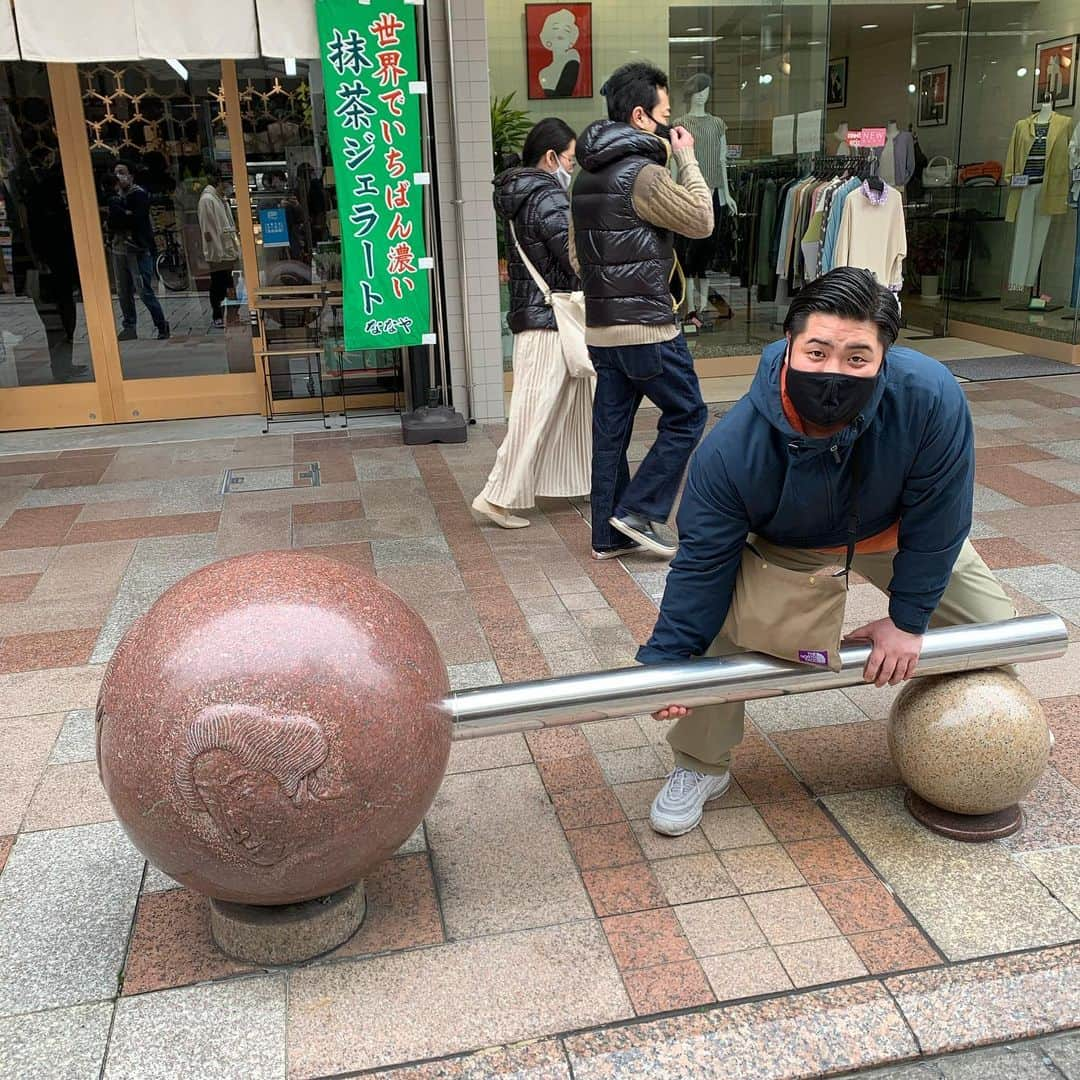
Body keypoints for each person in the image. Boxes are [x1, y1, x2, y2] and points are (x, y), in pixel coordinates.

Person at [640, 267, 1016, 836]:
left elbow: (942, 515)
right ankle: (699, 763)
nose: (834, 372)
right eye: (816, 352)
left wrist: (908, 621)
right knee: (717, 632)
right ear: (789, 345)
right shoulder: (733, 450)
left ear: (884, 358)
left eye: (857, 358)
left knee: (994, 628)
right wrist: (670, 664)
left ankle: (997, 731)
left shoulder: (929, 396)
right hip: (792, 543)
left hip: (894, 530)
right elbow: (702, 563)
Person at [569, 61, 711, 562]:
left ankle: (608, 538)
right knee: (688, 414)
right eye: (666, 114)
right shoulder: (645, 174)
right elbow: (701, 220)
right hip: (648, 327)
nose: (673, 126)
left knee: (611, 431)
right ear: (639, 116)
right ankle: (640, 511)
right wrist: (689, 160)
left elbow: (574, 256)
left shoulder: (583, 178)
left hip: (602, 329)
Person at [473, 119, 591, 528]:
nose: (572, 169)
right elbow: (573, 259)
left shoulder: (522, 194)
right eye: (571, 160)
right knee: (533, 413)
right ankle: (496, 497)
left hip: (540, 317)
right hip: (549, 321)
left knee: (565, 406)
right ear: (551, 157)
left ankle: (588, 480)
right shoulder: (548, 198)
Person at [108, 163, 169, 342]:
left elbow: (136, 220)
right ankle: (129, 326)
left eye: (122, 172)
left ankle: (161, 324)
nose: (119, 176)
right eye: (116, 173)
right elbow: (113, 221)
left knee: (143, 290)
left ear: (131, 175)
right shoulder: (115, 197)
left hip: (138, 249)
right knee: (123, 290)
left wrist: (123, 217)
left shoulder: (139, 194)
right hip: (119, 248)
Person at [197, 166, 240, 330]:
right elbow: (208, 230)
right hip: (219, 251)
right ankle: (218, 314)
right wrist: (217, 252)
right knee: (218, 283)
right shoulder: (208, 200)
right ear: (220, 183)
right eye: (228, 183)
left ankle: (230, 313)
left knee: (228, 282)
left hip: (226, 249)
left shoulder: (220, 199)